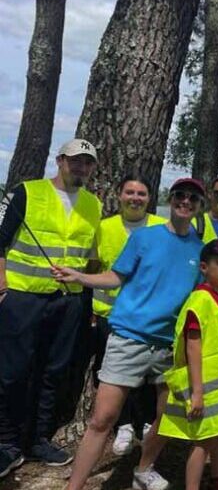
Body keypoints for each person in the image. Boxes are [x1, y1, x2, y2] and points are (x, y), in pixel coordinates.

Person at [57, 177, 206, 490]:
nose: (185, 202)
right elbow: (115, 276)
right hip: (129, 338)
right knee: (102, 419)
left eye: (193, 198)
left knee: (167, 418)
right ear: (170, 199)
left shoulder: (199, 249)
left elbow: (198, 299)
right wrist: (80, 276)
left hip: (168, 346)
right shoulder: (144, 238)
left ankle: (143, 468)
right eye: (180, 195)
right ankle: (74, 486)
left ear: (198, 206)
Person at [0, 139, 101, 478]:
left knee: (53, 372)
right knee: (13, 371)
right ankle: (7, 443)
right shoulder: (27, 192)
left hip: (68, 301)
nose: (81, 167)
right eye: (75, 160)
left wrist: (88, 303)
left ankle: (38, 439)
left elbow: (91, 260)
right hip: (23, 296)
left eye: (87, 163)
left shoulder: (93, 205)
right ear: (60, 160)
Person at [157, 238, 218, 490]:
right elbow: (193, 345)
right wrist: (197, 393)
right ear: (204, 268)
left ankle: (217, 477)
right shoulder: (200, 301)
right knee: (202, 441)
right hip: (204, 386)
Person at [93, 176, 166, 457]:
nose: (135, 198)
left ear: (150, 198)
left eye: (142, 193)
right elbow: (95, 266)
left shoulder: (161, 227)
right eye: (130, 192)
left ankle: (147, 422)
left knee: (150, 376)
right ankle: (123, 426)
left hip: (149, 319)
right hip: (108, 316)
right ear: (119, 195)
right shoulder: (104, 228)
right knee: (112, 376)